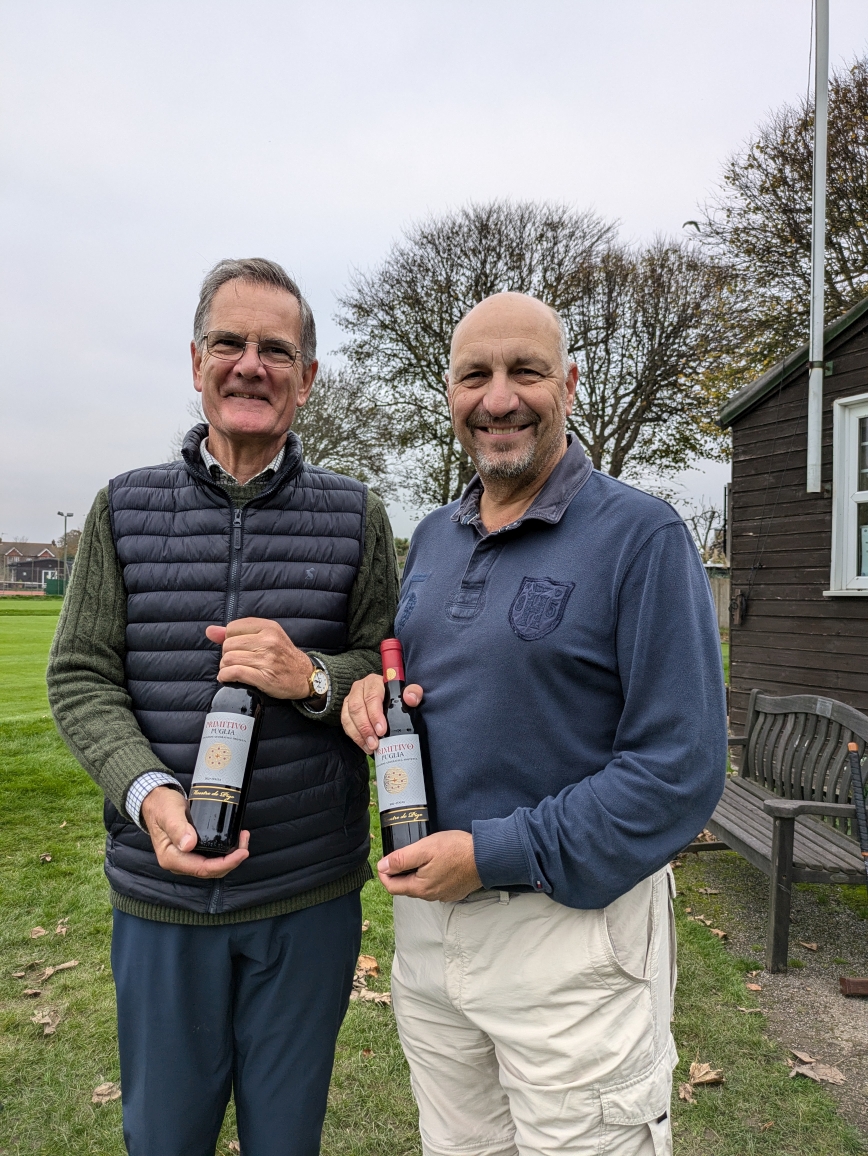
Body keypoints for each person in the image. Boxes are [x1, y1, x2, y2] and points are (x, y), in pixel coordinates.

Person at [341, 292, 727, 1156]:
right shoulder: (433, 538)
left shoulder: (642, 536)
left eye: (527, 371)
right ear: (450, 393)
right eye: (475, 375)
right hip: (430, 934)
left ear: (570, 384)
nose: (499, 398)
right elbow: (430, 687)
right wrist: (373, 695)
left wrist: (494, 853)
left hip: (572, 938)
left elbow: (680, 770)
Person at [47, 258, 399, 1156]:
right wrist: (148, 794)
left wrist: (307, 675)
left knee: (286, 1140)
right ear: (197, 361)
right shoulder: (123, 509)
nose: (251, 365)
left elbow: (385, 672)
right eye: (230, 343)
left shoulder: (357, 516)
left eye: (275, 350)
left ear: (306, 378)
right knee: (164, 1138)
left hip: (304, 897)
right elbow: (81, 675)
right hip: (161, 898)